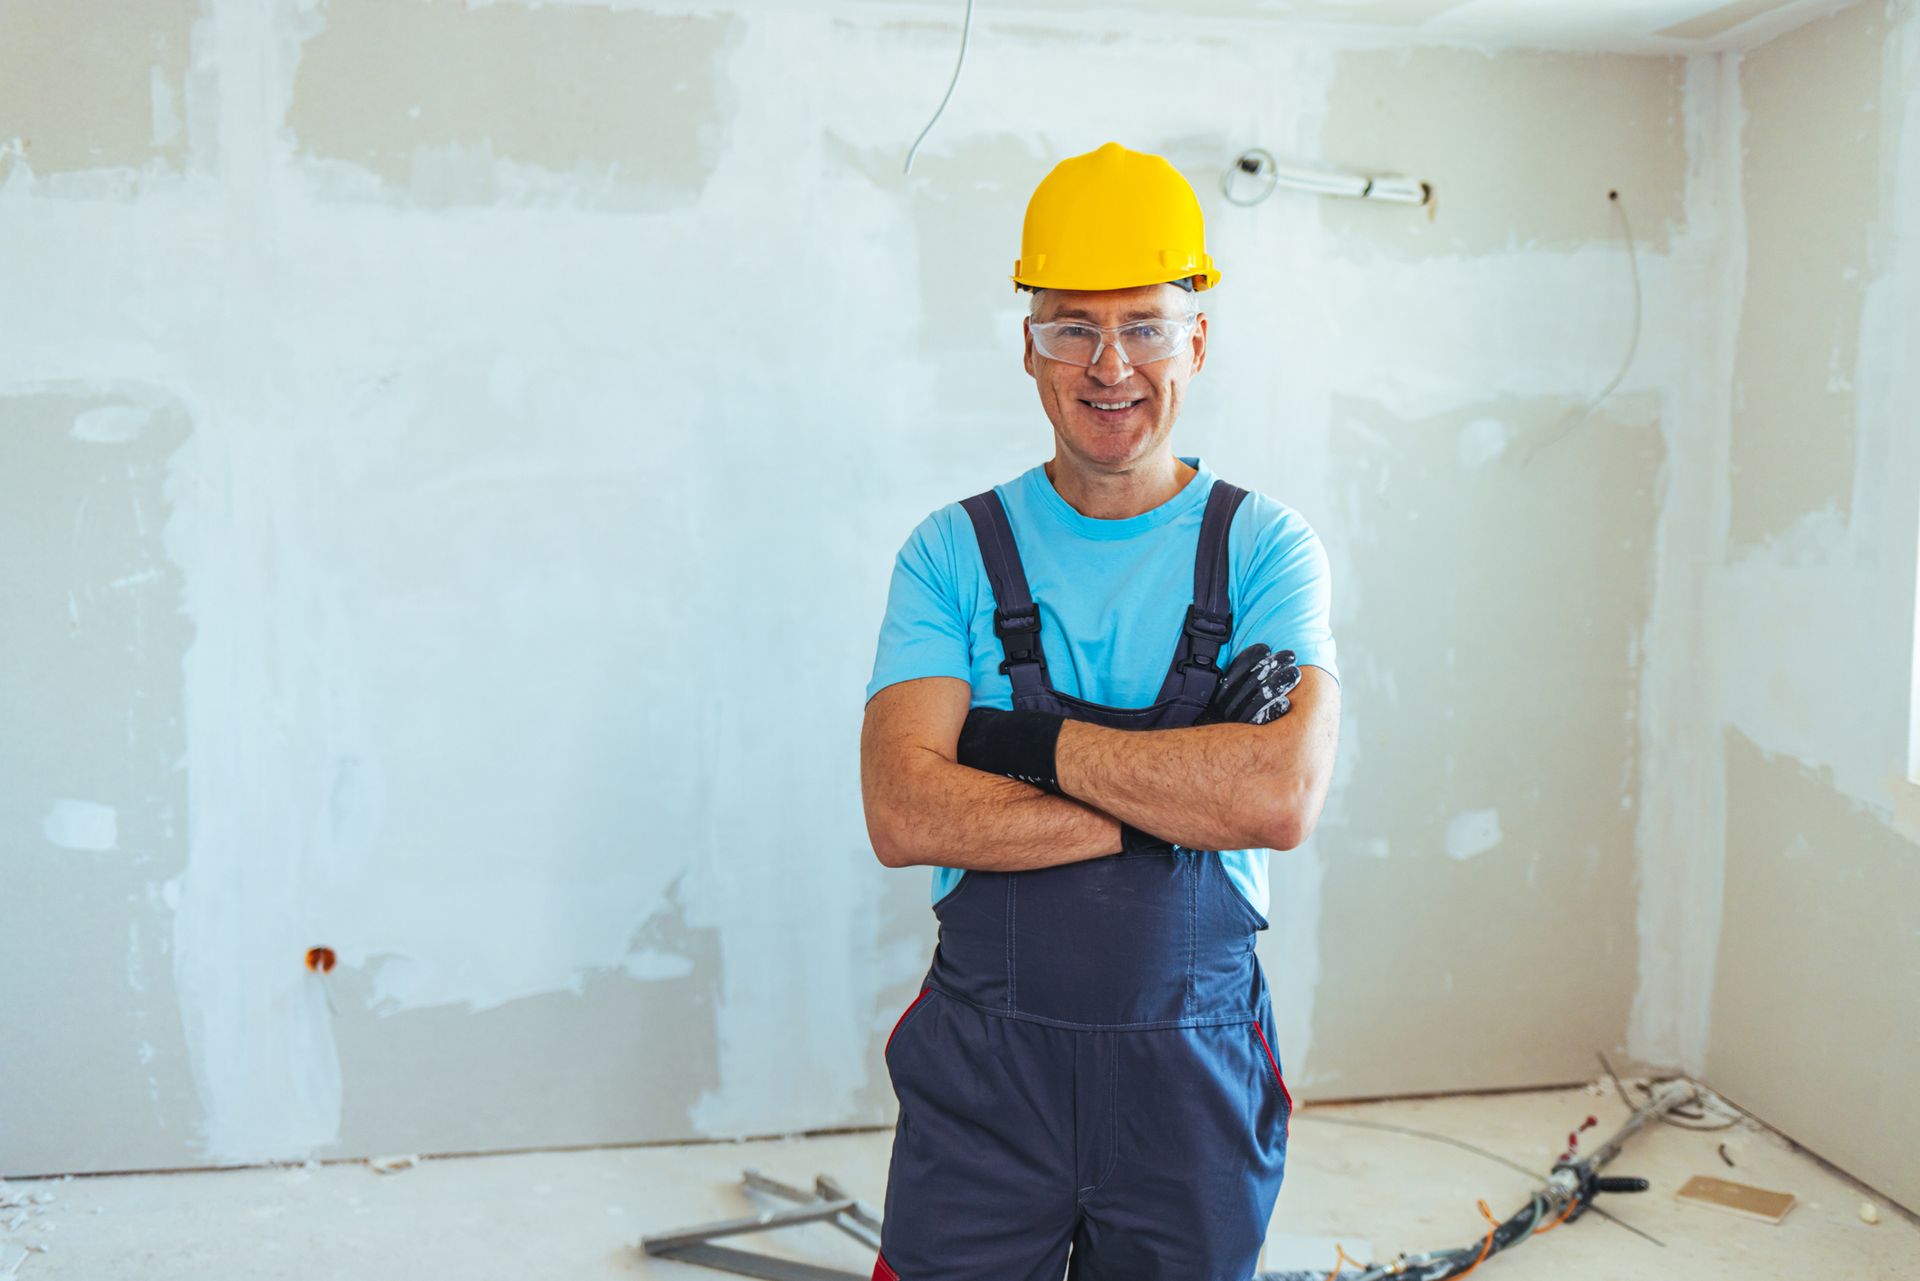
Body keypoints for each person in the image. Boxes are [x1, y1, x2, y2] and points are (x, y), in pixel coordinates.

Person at [859, 140, 1342, 1281]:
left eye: (1147, 325)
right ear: (1029, 348)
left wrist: (1010, 743)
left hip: (1191, 1094)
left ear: (1198, 341)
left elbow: (1276, 798)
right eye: (1071, 325)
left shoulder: (1267, 549)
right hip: (986, 1087)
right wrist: (1175, 798)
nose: (1109, 364)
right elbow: (903, 811)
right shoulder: (951, 552)